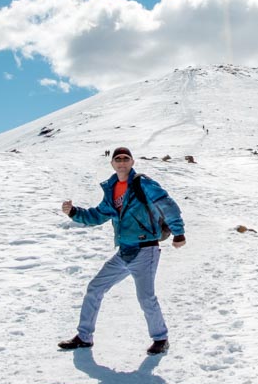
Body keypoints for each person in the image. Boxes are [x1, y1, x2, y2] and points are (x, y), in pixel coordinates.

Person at [58, 147, 187, 354]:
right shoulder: (112, 189)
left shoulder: (143, 183)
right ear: (112, 164)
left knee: (146, 297)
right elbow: (99, 215)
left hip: (146, 250)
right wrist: (74, 212)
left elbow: (167, 205)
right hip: (124, 251)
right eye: (117, 159)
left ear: (132, 162)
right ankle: (84, 336)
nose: (121, 162)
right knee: (95, 288)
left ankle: (161, 339)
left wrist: (179, 233)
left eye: (126, 158)